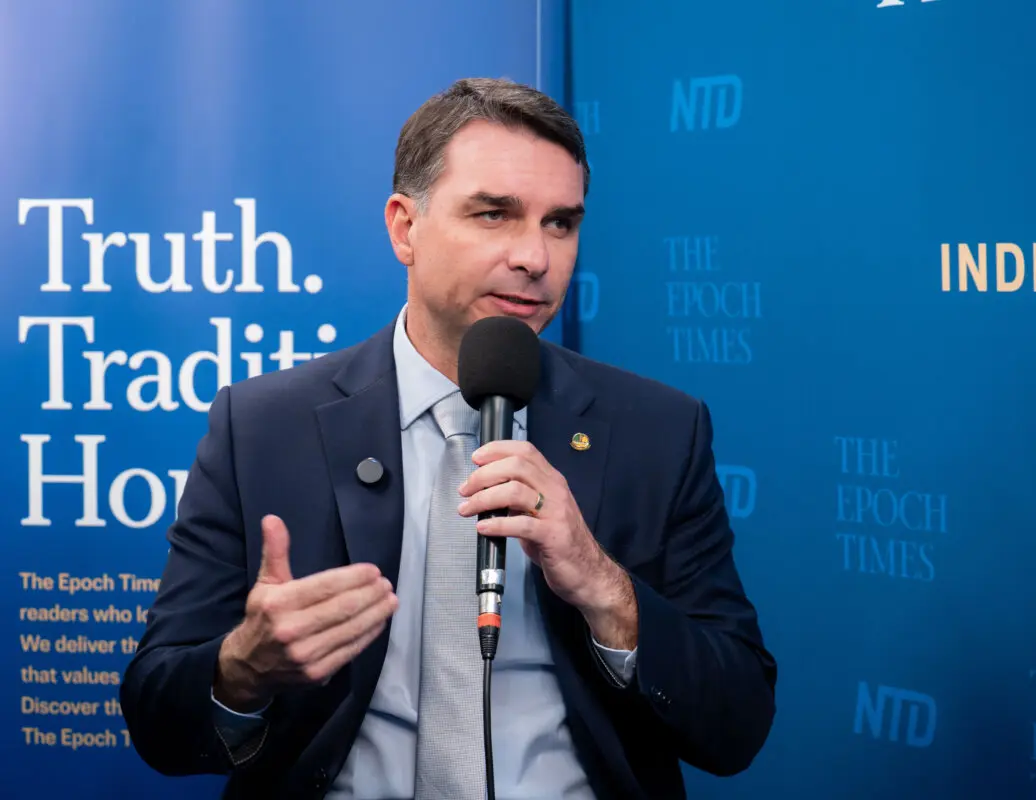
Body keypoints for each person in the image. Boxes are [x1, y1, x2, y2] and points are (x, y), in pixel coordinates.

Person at [120, 77, 776, 800]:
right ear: (405, 228)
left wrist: (603, 587)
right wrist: (243, 667)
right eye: (495, 214)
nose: (535, 257)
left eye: (560, 223)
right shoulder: (261, 426)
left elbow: (739, 723)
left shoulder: (658, 430)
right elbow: (156, 717)